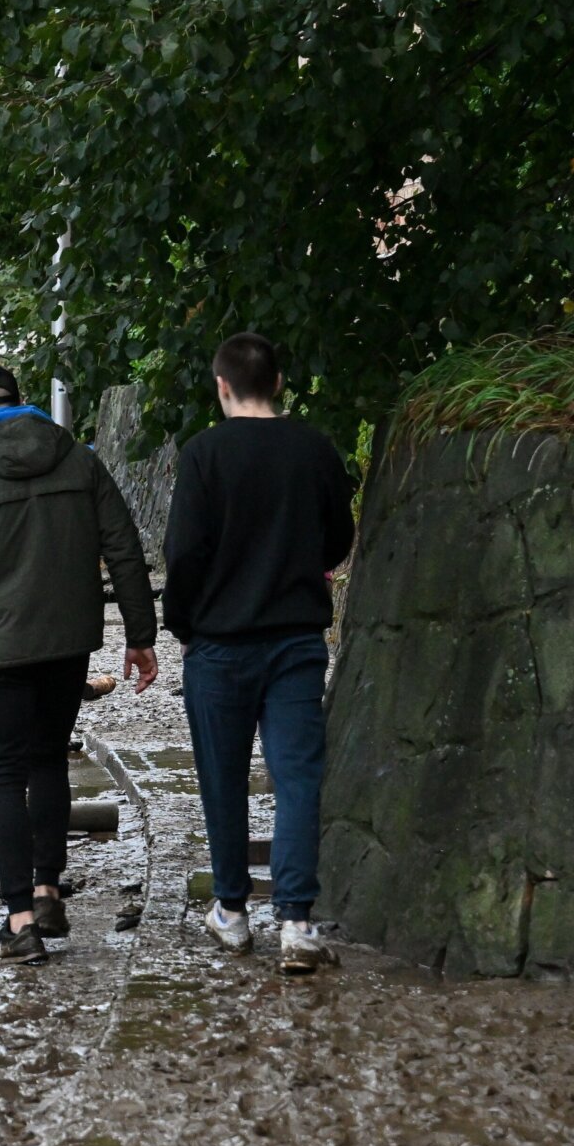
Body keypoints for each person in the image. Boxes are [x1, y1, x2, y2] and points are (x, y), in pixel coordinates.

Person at [0, 364, 160, 964]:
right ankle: (48, 891)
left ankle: (20, 921)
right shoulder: (79, 461)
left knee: (3, 776)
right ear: (22, 404)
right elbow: (125, 548)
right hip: (67, 646)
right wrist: (140, 635)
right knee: (50, 759)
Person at [163, 332, 357, 975]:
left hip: (218, 645)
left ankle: (233, 912)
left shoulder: (202, 455)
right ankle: (297, 924)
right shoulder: (314, 449)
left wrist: (182, 620)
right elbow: (339, 536)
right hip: (296, 640)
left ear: (222, 386)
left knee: (223, 779)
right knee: (298, 777)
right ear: (277, 383)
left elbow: (185, 552)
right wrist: (300, 571)